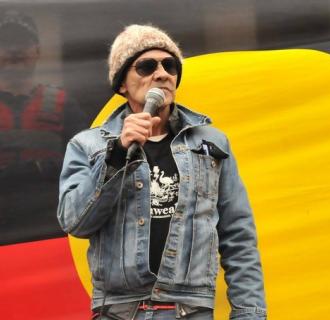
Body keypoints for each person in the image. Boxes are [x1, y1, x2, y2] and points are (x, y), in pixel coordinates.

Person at [57, 24, 266, 320]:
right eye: (146, 66)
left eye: (170, 65)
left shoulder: (212, 143)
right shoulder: (88, 145)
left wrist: (250, 314)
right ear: (121, 85)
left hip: (189, 310)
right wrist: (116, 154)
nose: (162, 73)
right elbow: (75, 221)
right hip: (120, 311)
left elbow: (239, 237)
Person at [0, 10, 85, 244]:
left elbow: (88, 163)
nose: (15, 50)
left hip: (50, 232)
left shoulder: (63, 103)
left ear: (37, 51)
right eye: (6, 42)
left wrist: (44, 169)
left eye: (23, 42)